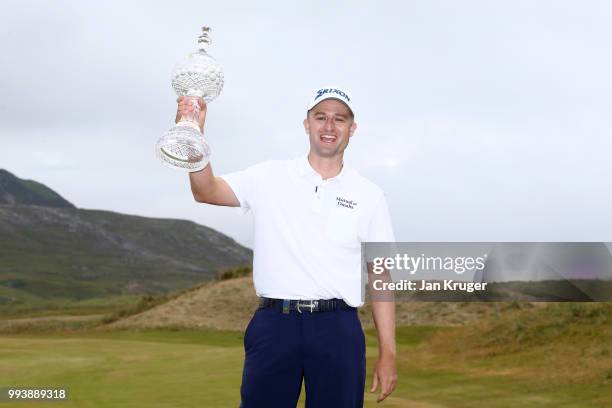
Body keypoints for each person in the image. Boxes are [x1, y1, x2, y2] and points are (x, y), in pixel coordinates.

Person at [177, 86, 397, 407]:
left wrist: (389, 353)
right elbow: (205, 190)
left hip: (338, 327)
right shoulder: (269, 175)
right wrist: (194, 133)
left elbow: (380, 277)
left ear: (352, 128)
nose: (329, 126)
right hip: (275, 324)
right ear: (307, 124)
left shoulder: (369, 195)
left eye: (339, 119)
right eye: (320, 117)